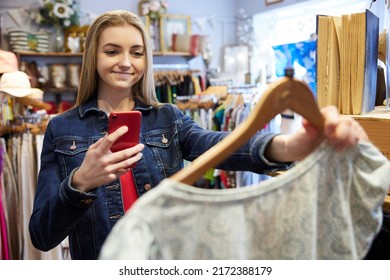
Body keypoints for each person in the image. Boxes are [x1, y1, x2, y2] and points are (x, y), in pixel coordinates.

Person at [29, 10, 369, 260]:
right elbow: (42, 235)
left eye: (136, 52)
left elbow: (219, 145)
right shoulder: (63, 129)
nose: (126, 62)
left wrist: (288, 146)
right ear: (94, 56)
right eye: (112, 50)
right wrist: (80, 182)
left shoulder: (169, 118)